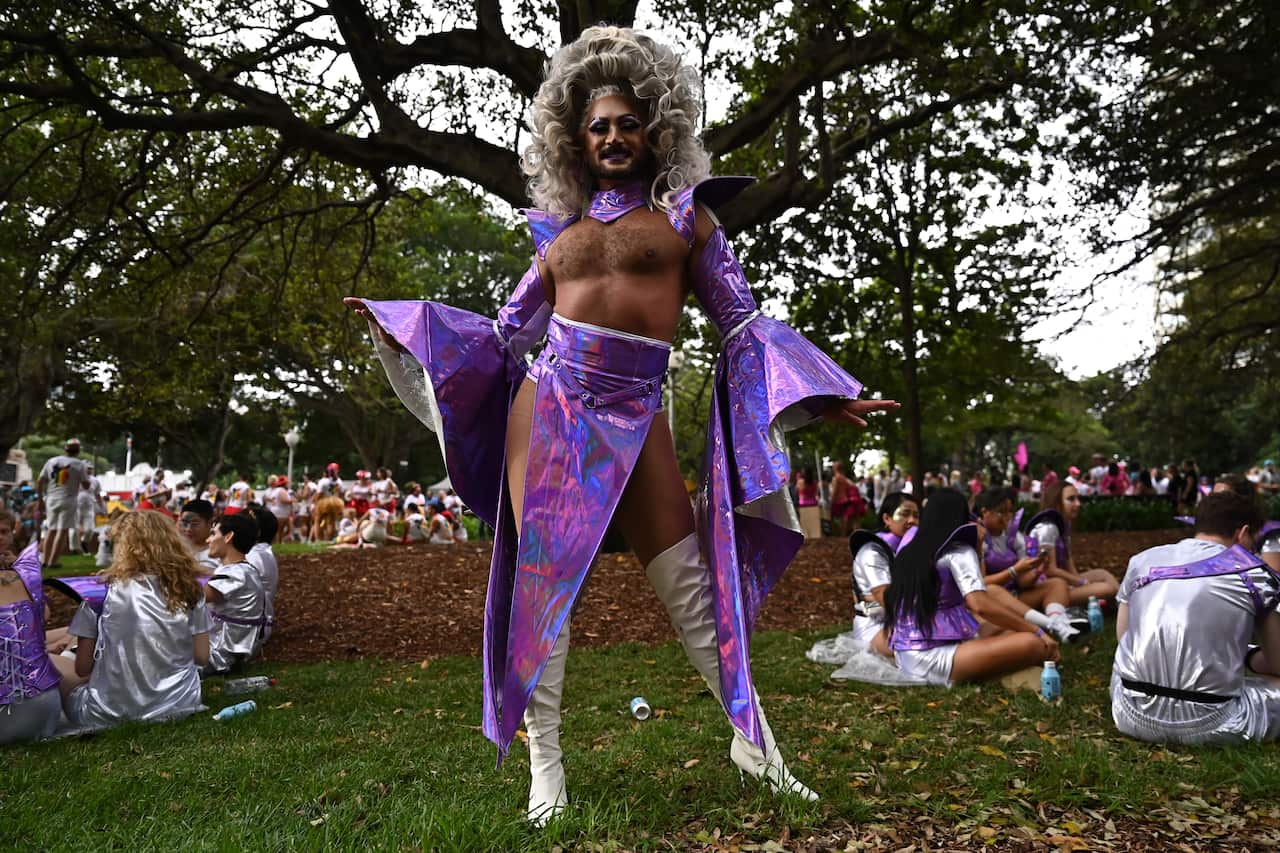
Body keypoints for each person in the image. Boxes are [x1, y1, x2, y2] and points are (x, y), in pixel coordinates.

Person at [346, 25, 897, 824]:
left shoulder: (685, 223)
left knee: (690, 589)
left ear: (655, 131)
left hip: (639, 415)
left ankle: (755, 744)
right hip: (551, 406)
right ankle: (547, 768)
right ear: (575, 138)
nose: (612, 136)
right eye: (598, 125)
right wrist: (408, 328)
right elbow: (503, 337)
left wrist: (819, 392)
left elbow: (742, 325)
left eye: (627, 123)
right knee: (545, 592)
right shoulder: (556, 239)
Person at [1112, 491, 1280, 743]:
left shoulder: (1141, 561)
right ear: (1242, 533)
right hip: (1215, 722)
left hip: (1129, 711)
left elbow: (1124, 636)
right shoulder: (1253, 573)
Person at [876, 490, 1060, 686]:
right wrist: (1036, 631)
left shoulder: (910, 545)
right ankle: (997, 672)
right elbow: (979, 604)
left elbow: (977, 591)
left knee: (1006, 631)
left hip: (905, 655)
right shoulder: (958, 549)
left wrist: (978, 549)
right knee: (1034, 644)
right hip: (936, 661)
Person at [55, 511, 210, 730]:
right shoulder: (190, 590)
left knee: (50, 661)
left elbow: (82, 668)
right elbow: (202, 656)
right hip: (179, 704)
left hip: (107, 713)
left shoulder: (99, 593)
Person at [973, 488, 1081, 642]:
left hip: (1016, 597)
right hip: (993, 601)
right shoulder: (979, 539)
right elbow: (980, 585)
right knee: (993, 589)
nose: (1007, 517)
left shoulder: (1013, 537)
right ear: (985, 512)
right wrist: (1013, 571)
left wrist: (1037, 570)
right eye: (1001, 512)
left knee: (1056, 583)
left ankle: (1058, 620)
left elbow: (1023, 582)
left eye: (1009, 512)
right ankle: (1052, 625)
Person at [0, 515, 63, 744]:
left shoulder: (25, 570)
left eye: (4, 532)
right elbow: (42, 616)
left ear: (12, 533)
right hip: (44, 711)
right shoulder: (27, 570)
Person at [1026, 481, 1120, 606]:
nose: (1078, 504)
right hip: (1048, 588)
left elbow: (1070, 568)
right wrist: (1081, 582)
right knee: (1106, 588)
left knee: (1102, 574)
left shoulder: (1064, 527)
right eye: (1071, 499)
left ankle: (1124, 605)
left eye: (1078, 498)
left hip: (1064, 582)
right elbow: (1050, 570)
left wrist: (1080, 582)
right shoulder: (1048, 528)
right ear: (1056, 502)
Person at [849, 492, 917, 648]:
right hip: (874, 625)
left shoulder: (908, 548)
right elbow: (881, 599)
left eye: (916, 515)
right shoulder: (872, 552)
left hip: (902, 618)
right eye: (905, 514)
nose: (912, 520)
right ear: (887, 519)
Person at [203, 513, 267, 673]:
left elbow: (194, 595)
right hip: (216, 648)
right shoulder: (240, 570)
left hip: (219, 656)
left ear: (228, 537)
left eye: (213, 534)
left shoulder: (239, 574)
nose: (207, 540)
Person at [36, 437, 87, 568]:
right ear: (78, 450)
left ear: (65, 449)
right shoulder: (79, 464)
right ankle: (53, 562)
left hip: (51, 498)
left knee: (51, 530)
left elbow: (40, 481)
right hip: (68, 499)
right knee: (62, 531)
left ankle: (44, 561)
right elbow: (86, 485)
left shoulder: (52, 461)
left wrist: (40, 499)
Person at [244, 505, 279, 644]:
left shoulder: (253, 558)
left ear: (257, 532)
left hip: (248, 632)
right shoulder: (261, 553)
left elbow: (214, 593)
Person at [178, 499, 219, 571]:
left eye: (195, 524)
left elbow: (203, 581)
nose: (188, 529)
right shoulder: (176, 545)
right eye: (184, 523)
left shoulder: (216, 554)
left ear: (210, 523)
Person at [265, 475, 294, 542]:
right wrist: (293, 500)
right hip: (280, 513)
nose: (288, 484)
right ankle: (279, 543)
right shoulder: (281, 490)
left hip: (277, 512)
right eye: (287, 483)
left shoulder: (275, 490)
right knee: (279, 530)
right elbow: (283, 500)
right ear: (284, 483)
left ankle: (279, 543)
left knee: (279, 530)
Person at [795, 468, 821, 540]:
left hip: (803, 504)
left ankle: (806, 536)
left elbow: (796, 492)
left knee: (805, 523)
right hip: (813, 503)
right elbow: (816, 492)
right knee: (814, 523)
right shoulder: (815, 482)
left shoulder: (800, 482)